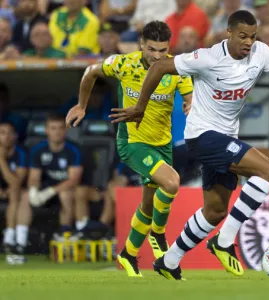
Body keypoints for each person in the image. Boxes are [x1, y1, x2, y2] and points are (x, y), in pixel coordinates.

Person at [110, 10, 269, 280]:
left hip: (226, 138)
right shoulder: (207, 57)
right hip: (202, 136)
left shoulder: (262, 53)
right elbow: (159, 66)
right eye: (243, 36)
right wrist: (140, 106)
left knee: (215, 211)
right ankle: (224, 242)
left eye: (253, 36)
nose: (248, 42)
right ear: (229, 33)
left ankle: (169, 261)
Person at [65, 20, 193, 277]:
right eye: (152, 49)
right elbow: (91, 71)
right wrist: (82, 105)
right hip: (132, 143)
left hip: (162, 144)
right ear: (142, 45)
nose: (157, 56)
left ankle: (127, 254)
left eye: (162, 50)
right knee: (172, 183)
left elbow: (190, 97)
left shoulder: (176, 67)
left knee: (148, 206)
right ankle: (158, 234)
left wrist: (191, 106)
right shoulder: (124, 63)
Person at [13, 113, 82, 263]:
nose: (57, 132)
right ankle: (20, 243)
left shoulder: (73, 149)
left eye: (60, 128)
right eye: (53, 128)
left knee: (65, 193)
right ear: (46, 130)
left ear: (65, 130)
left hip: (64, 191)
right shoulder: (39, 149)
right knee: (25, 196)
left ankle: (64, 237)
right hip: (45, 191)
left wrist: (51, 192)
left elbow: (73, 179)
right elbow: (34, 177)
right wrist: (33, 190)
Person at [0, 122, 27, 262]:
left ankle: (9, 237)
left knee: (15, 192)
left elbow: (16, 182)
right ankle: (9, 236)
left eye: (10, 133)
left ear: (15, 136)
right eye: (2, 133)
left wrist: (1, 160)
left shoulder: (21, 153)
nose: (6, 136)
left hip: (15, 192)